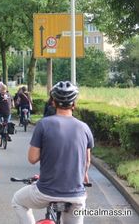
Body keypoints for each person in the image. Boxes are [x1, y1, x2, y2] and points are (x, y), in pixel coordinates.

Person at [12, 81, 94, 224]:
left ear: (53, 102)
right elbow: (87, 162)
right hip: (76, 195)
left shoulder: (43, 124)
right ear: (74, 104)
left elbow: (32, 158)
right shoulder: (84, 128)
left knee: (18, 201)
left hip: (45, 192)